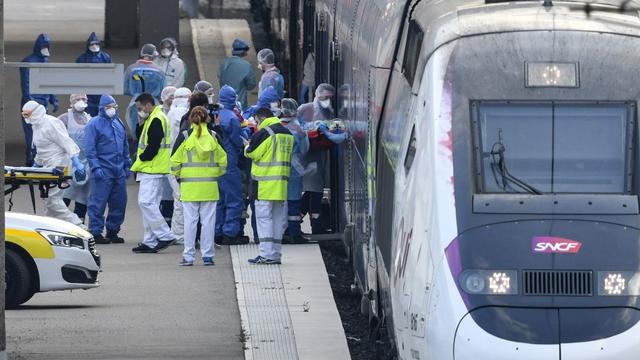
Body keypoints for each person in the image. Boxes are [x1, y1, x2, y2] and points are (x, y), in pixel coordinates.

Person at [171, 106, 227, 266]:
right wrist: (216, 174)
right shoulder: (214, 136)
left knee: (190, 222)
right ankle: (208, 256)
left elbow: (174, 161)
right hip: (209, 187)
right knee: (208, 222)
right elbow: (223, 160)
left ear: (191, 119)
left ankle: (188, 256)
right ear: (207, 118)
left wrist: (179, 177)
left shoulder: (185, 136)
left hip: (189, 187)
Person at [21, 101, 85, 226]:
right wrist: (36, 165)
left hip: (60, 165)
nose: (26, 118)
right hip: (47, 167)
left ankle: (78, 225)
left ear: (35, 111)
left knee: (53, 201)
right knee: (48, 200)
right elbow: (41, 148)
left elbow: (67, 142)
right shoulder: (36, 125)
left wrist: (76, 161)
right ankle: (48, 227)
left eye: (27, 114)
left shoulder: (52, 123)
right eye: (24, 115)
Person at [245, 107, 294, 264]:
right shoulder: (287, 133)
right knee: (278, 219)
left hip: (264, 183)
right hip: (281, 183)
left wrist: (247, 146)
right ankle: (276, 254)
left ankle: (266, 254)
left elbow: (252, 153)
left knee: (264, 218)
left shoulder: (265, 132)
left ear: (260, 118)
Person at [130, 93, 176, 253]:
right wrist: (140, 120)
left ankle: (165, 235)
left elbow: (153, 146)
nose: (139, 111)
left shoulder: (157, 118)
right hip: (153, 168)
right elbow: (141, 135)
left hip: (152, 167)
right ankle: (149, 241)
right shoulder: (154, 117)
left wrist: (141, 157)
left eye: (140, 108)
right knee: (150, 205)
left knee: (146, 203)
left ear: (148, 105)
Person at [299, 83, 347, 234]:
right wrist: (313, 127)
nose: (327, 100)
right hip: (307, 156)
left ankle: (301, 224)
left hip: (319, 157)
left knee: (314, 190)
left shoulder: (330, 112)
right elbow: (297, 127)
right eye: (325, 97)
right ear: (317, 95)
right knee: (312, 191)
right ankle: (315, 226)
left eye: (330, 98)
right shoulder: (305, 109)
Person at [84, 95, 131, 244]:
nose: (112, 110)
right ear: (102, 108)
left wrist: (127, 164)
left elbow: (124, 146)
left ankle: (113, 231)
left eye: (114, 107)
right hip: (103, 170)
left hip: (118, 170)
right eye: (109, 107)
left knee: (119, 202)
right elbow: (90, 149)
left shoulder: (118, 122)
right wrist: (96, 167)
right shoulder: (94, 124)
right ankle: (96, 231)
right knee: (98, 202)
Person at [213, 85, 246, 245]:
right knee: (234, 199)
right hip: (229, 162)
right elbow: (237, 140)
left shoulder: (214, 114)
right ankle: (230, 233)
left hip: (215, 163)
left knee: (219, 200)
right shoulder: (232, 118)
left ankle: (217, 231)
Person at [20, 34, 59, 166]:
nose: (46, 49)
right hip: (31, 105)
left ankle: (40, 160)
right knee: (31, 134)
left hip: (43, 104)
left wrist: (53, 98)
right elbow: (25, 84)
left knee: (43, 133)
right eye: (44, 46)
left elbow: (49, 82)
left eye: (47, 47)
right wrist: (29, 103)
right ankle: (31, 160)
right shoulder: (28, 62)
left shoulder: (45, 63)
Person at [279, 99, 309, 244]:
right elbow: (304, 149)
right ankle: (294, 233)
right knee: (294, 203)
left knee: (279, 204)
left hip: (277, 170)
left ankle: (281, 232)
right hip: (294, 169)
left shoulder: (274, 126)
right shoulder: (298, 128)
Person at [59, 94, 92, 221]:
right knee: (64, 195)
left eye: (83, 99)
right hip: (68, 163)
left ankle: (80, 222)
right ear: (71, 102)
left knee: (82, 198)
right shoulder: (64, 119)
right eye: (77, 99)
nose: (81, 102)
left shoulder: (89, 119)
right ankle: (59, 223)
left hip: (86, 164)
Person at [167, 87, 192, 245]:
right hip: (181, 159)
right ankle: (179, 234)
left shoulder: (170, 112)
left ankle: (178, 232)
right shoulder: (181, 113)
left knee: (178, 197)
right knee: (181, 198)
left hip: (172, 158)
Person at [124, 44, 164, 137]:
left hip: (136, 103)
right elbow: (163, 90)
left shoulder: (131, 68)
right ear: (154, 55)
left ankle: (138, 149)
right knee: (153, 131)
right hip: (153, 104)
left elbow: (125, 88)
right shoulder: (160, 71)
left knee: (137, 130)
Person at [76, 32, 112, 116]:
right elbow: (77, 76)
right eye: (92, 44)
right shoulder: (82, 59)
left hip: (102, 92)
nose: (94, 46)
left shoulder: (105, 57)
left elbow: (111, 74)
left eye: (96, 44)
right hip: (88, 94)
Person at [218, 39, 257, 109]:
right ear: (244, 52)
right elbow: (251, 85)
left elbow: (219, 77)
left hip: (223, 103)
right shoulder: (246, 65)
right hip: (239, 104)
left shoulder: (224, 63)